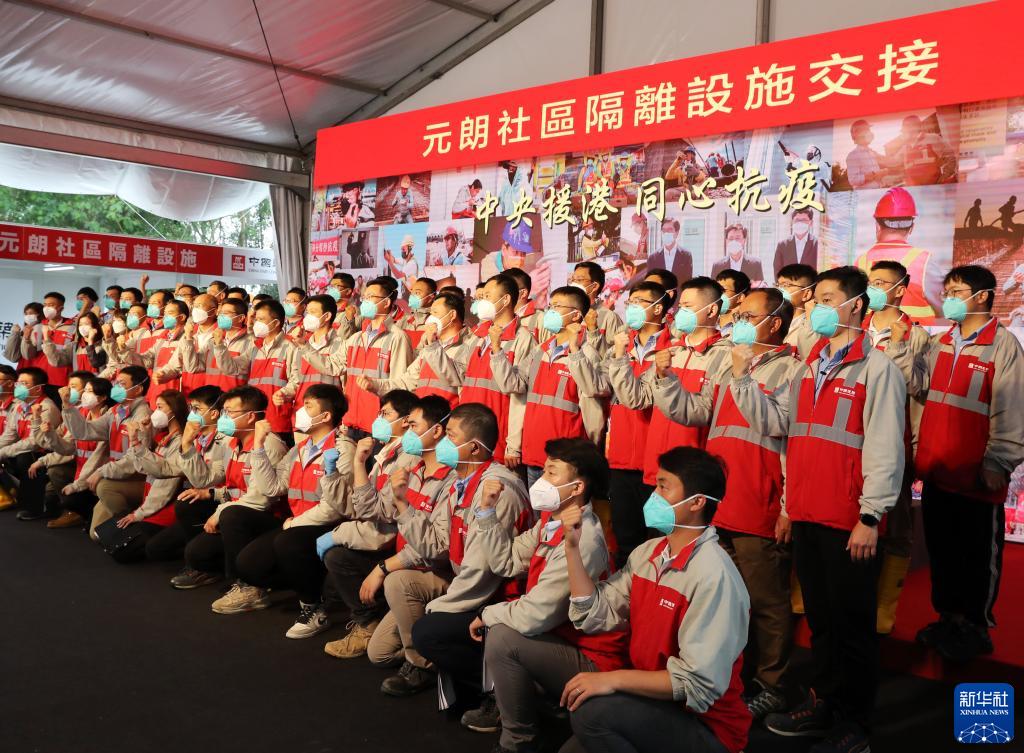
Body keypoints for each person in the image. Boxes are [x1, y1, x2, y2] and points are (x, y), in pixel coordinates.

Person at [730, 266, 905, 753]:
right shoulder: (809, 368)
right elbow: (779, 427)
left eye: (827, 299)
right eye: (817, 300)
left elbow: (885, 448)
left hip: (850, 522)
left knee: (853, 628)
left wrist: (870, 516)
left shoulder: (877, 370)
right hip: (807, 514)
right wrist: (743, 378)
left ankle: (855, 724)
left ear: (856, 305)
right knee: (823, 622)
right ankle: (824, 703)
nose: (816, 308)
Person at [655, 288, 804, 721]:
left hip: (760, 501)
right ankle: (733, 677)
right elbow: (697, 412)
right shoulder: (727, 361)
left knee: (767, 601)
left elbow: (780, 428)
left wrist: (787, 506)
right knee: (726, 599)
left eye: (748, 316)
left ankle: (773, 685)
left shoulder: (793, 369)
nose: (738, 322)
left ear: (774, 323)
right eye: (737, 315)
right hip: (721, 500)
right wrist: (666, 380)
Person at [561, 446, 751, 753]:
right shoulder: (648, 553)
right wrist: (572, 548)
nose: (654, 496)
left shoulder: (714, 575)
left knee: (592, 715)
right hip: (654, 702)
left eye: (664, 486)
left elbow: (696, 684)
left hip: (707, 725)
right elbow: (594, 612)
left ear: (697, 502)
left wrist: (613, 680)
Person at [478, 438, 629, 752]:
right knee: (499, 626)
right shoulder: (552, 519)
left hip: (594, 657)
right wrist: (487, 511)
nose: (542, 481)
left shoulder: (584, 538)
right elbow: (506, 561)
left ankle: (518, 742)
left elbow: (535, 616)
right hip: (560, 636)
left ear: (577, 488)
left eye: (551, 473)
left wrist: (486, 615)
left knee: (502, 636)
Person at [911, 265, 1024, 662]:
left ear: (983, 296)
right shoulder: (941, 342)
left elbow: (1012, 410)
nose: (949, 299)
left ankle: (977, 627)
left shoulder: (1003, 347)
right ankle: (948, 619)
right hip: (938, 471)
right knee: (942, 552)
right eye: (947, 291)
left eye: (957, 292)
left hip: (978, 476)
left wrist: (998, 461)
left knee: (976, 557)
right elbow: (920, 391)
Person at [410, 402, 531, 725]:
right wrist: (403, 508)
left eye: (450, 436)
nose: (442, 442)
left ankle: (504, 690)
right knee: (404, 589)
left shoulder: (498, 489)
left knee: (428, 631)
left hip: (498, 596)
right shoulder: (459, 480)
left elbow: (483, 572)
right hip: (468, 586)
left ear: (474, 448)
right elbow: (437, 545)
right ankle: (468, 686)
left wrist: (441, 606)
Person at [243, 384, 352, 638]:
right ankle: (310, 582)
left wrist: (294, 523)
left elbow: (333, 509)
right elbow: (272, 487)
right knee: (249, 564)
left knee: (287, 542)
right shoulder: (300, 449)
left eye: (308, 406)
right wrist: (258, 446)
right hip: (299, 524)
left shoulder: (343, 449)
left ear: (326, 416)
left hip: (329, 525)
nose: (300, 411)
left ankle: (313, 607)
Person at [369, 396, 457, 695]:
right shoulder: (413, 469)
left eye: (413, 426)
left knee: (395, 581)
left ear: (437, 431)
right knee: (378, 654)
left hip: (436, 572)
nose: (406, 433)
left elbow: (436, 548)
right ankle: (436, 650)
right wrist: (360, 465)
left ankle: (422, 665)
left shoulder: (451, 479)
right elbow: (376, 512)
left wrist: (384, 567)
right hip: (411, 572)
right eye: (405, 426)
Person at [172, 385, 289, 612]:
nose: (223, 417)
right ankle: (213, 570)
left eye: (229, 412)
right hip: (236, 512)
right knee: (194, 543)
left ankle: (249, 587)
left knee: (232, 514)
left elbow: (261, 498)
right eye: (223, 411)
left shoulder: (269, 444)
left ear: (251, 416)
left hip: (265, 518)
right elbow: (205, 479)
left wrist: (220, 512)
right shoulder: (230, 442)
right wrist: (186, 446)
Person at [610, 277, 732, 493]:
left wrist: (665, 379)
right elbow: (636, 398)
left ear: (712, 310)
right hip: (656, 466)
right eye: (680, 306)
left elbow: (704, 412)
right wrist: (620, 358)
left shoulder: (725, 356)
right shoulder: (672, 351)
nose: (680, 312)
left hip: (692, 474)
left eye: (688, 307)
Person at [320, 389, 418, 656]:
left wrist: (358, 463)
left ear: (406, 421)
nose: (379, 420)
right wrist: (332, 475)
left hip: (394, 544)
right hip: (375, 533)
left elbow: (380, 518)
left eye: (385, 414)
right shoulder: (385, 452)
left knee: (337, 557)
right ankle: (367, 619)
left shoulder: (408, 457)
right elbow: (355, 507)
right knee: (329, 560)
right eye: (379, 413)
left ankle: (368, 623)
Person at [861, 260, 931, 635]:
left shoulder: (917, 336)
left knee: (896, 523)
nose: (873, 289)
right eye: (870, 282)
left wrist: (901, 346)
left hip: (896, 442)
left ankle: (883, 610)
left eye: (880, 282)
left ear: (900, 289)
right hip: (853, 439)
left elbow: (918, 387)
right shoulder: (855, 328)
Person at [428, 274, 537, 466]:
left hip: (498, 434)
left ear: (506, 300)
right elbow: (456, 376)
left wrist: (514, 446)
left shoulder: (522, 338)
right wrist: (432, 346)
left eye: (487, 296)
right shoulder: (477, 335)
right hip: (468, 429)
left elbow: (518, 392)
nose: (482, 301)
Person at [506, 286, 605, 488]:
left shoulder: (586, 354)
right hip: (534, 453)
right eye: (550, 306)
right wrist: (515, 445)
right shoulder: (539, 350)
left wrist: (590, 452)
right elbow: (519, 396)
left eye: (557, 306)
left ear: (576, 315)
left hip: (566, 460)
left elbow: (593, 411)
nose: (550, 311)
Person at [599, 280, 670, 564]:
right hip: (620, 458)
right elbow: (599, 387)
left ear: (659, 308)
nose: (632, 308)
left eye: (639, 302)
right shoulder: (621, 344)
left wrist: (619, 358)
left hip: (656, 461)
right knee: (625, 541)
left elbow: (638, 399)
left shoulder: (670, 347)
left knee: (657, 544)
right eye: (630, 303)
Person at [130, 385, 226, 572]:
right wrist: (137, 443)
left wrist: (187, 444)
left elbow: (204, 482)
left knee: (185, 506)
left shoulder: (223, 441)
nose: (192, 414)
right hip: (196, 506)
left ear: (214, 414)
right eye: (191, 408)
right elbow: (167, 468)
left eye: (197, 409)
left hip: (217, 503)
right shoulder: (196, 439)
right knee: (154, 549)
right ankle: (195, 553)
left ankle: (202, 566)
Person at [62, 365, 154, 536]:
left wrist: (101, 471)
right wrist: (68, 407)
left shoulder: (143, 415)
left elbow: (135, 460)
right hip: (116, 476)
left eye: (122, 384)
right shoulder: (115, 411)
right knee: (95, 534)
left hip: (136, 479)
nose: (116, 387)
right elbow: (85, 431)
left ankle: (134, 531)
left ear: (138, 389)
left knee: (103, 487)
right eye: (116, 383)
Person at [107, 390, 190, 558]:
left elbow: (165, 488)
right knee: (108, 538)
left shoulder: (179, 442)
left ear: (173, 411)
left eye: (159, 407)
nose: (154, 413)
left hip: (163, 510)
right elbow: (142, 467)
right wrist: (141, 436)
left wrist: (139, 514)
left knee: (123, 552)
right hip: (150, 504)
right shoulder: (164, 437)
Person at [363, 290, 471, 408]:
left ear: (452, 315)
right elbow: (406, 382)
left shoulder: (470, 344)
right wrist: (375, 385)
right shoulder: (429, 347)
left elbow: (455, 378)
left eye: (435, 313)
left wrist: (432, 345)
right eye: (430, 313)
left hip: (448, 417)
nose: (430, 318)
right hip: (422, 415)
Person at [855, 187, 944, 324]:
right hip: (912, 336)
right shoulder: (924, 262)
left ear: (877, 226)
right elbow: (944, 310)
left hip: (869, 336)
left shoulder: (860, 262)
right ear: (912, 227)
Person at [32, 371, 109, 529]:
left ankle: (84, 513)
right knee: (52, 480)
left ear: (102, 397)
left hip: (96, 474)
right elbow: (66, 448)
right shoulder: (78, 413)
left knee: (65, 493)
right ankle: (77, 512)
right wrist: (48, 432)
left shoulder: (107, 418)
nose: (67, 390)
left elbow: (96, 459)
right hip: (79, 470)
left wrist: (77, 485)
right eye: (85, 390)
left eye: (88, 391)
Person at [0, 367, 62, 520]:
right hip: (22, 449)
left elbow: (34, 443)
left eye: (24, 383)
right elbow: (9, 435)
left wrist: (3, 452)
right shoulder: (20, 406)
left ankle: (34, 507)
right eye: (18, 383)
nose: (19, 387)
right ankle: (12, 495)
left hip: (45, 453)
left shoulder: (47, 408)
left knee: (25, 457)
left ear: (38, 388)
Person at [247, 300, 300, 445]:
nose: (257, 323)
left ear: (276, 323)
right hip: (253, 418)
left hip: (278, 420)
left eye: (261, 319)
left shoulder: (291, 347)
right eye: (256, 319)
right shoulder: (255, 347)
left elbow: (297, 379)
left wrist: (284, 392)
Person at [284, 294, 345, 408]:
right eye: (307, 312)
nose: (308, 316)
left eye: (313, 312)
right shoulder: (302, 344)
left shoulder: (341, 344)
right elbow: (295, 380)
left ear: (327, 316)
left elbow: (344, 383)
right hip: (301, 409)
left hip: (327, 410)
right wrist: (284, 393)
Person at [181, 296, 252, 392]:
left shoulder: (251, 341)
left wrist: (219, 345)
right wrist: (188, 338)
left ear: (240, 318)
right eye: (221, 313)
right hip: (212, 396)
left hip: (235, 397)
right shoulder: (212, 340)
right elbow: (193, 367)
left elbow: (230, 369)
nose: (221, 316)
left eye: (226, 313)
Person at [571, 261, 624, 357]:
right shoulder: (566, 314)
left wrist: (593, 330)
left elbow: (615, 357)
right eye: (573, 280)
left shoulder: (609, 317)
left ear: (594, 286)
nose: (574, 284)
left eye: (579, 280)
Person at [892, 114, 955, 186]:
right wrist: (880, 158)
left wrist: (944, 177)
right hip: (915, 190)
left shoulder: (932, 138)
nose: (903, 132)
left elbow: (951, 156)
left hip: (933, 188)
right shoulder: (905, 147)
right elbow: (893, 162)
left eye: (904, 129)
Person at [777, 263, 819, 359]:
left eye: (786, 285)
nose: (779, 290)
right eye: (778, 285)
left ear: (806, 294)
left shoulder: (812, 327)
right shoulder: (771, 320)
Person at [773, 208, 818, 277]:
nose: (800, 223)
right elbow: (777, 269)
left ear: (811, 223)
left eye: (804, 220)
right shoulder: (782, 245)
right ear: (792, 222)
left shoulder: (817, 244)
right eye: (797, 220)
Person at [646, 218, 693, 282]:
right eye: (664, 230)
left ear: (676, 233)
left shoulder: (686, 255)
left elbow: (688, 280)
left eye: (669, 230)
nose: (666, 233)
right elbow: (650, 282)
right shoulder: (652, 257)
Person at [844, 119, 885, 190]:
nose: (870, 133)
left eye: (869, 130)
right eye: (867, 130)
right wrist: (874, 175)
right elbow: (853, 180)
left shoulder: (871, 152)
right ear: (857, 134)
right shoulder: (853, 155)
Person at [401, 276, 436, 349]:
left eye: (417, 292)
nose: (412, 295)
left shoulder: (436, 321)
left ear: (430, 297)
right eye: (412, 292)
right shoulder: (404, 319)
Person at [715, 269, 751, 337]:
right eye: (716, 289)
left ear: (740, 297)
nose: (717, 294)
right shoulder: (708, 323)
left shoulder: (747, 327)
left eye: (723, 290)